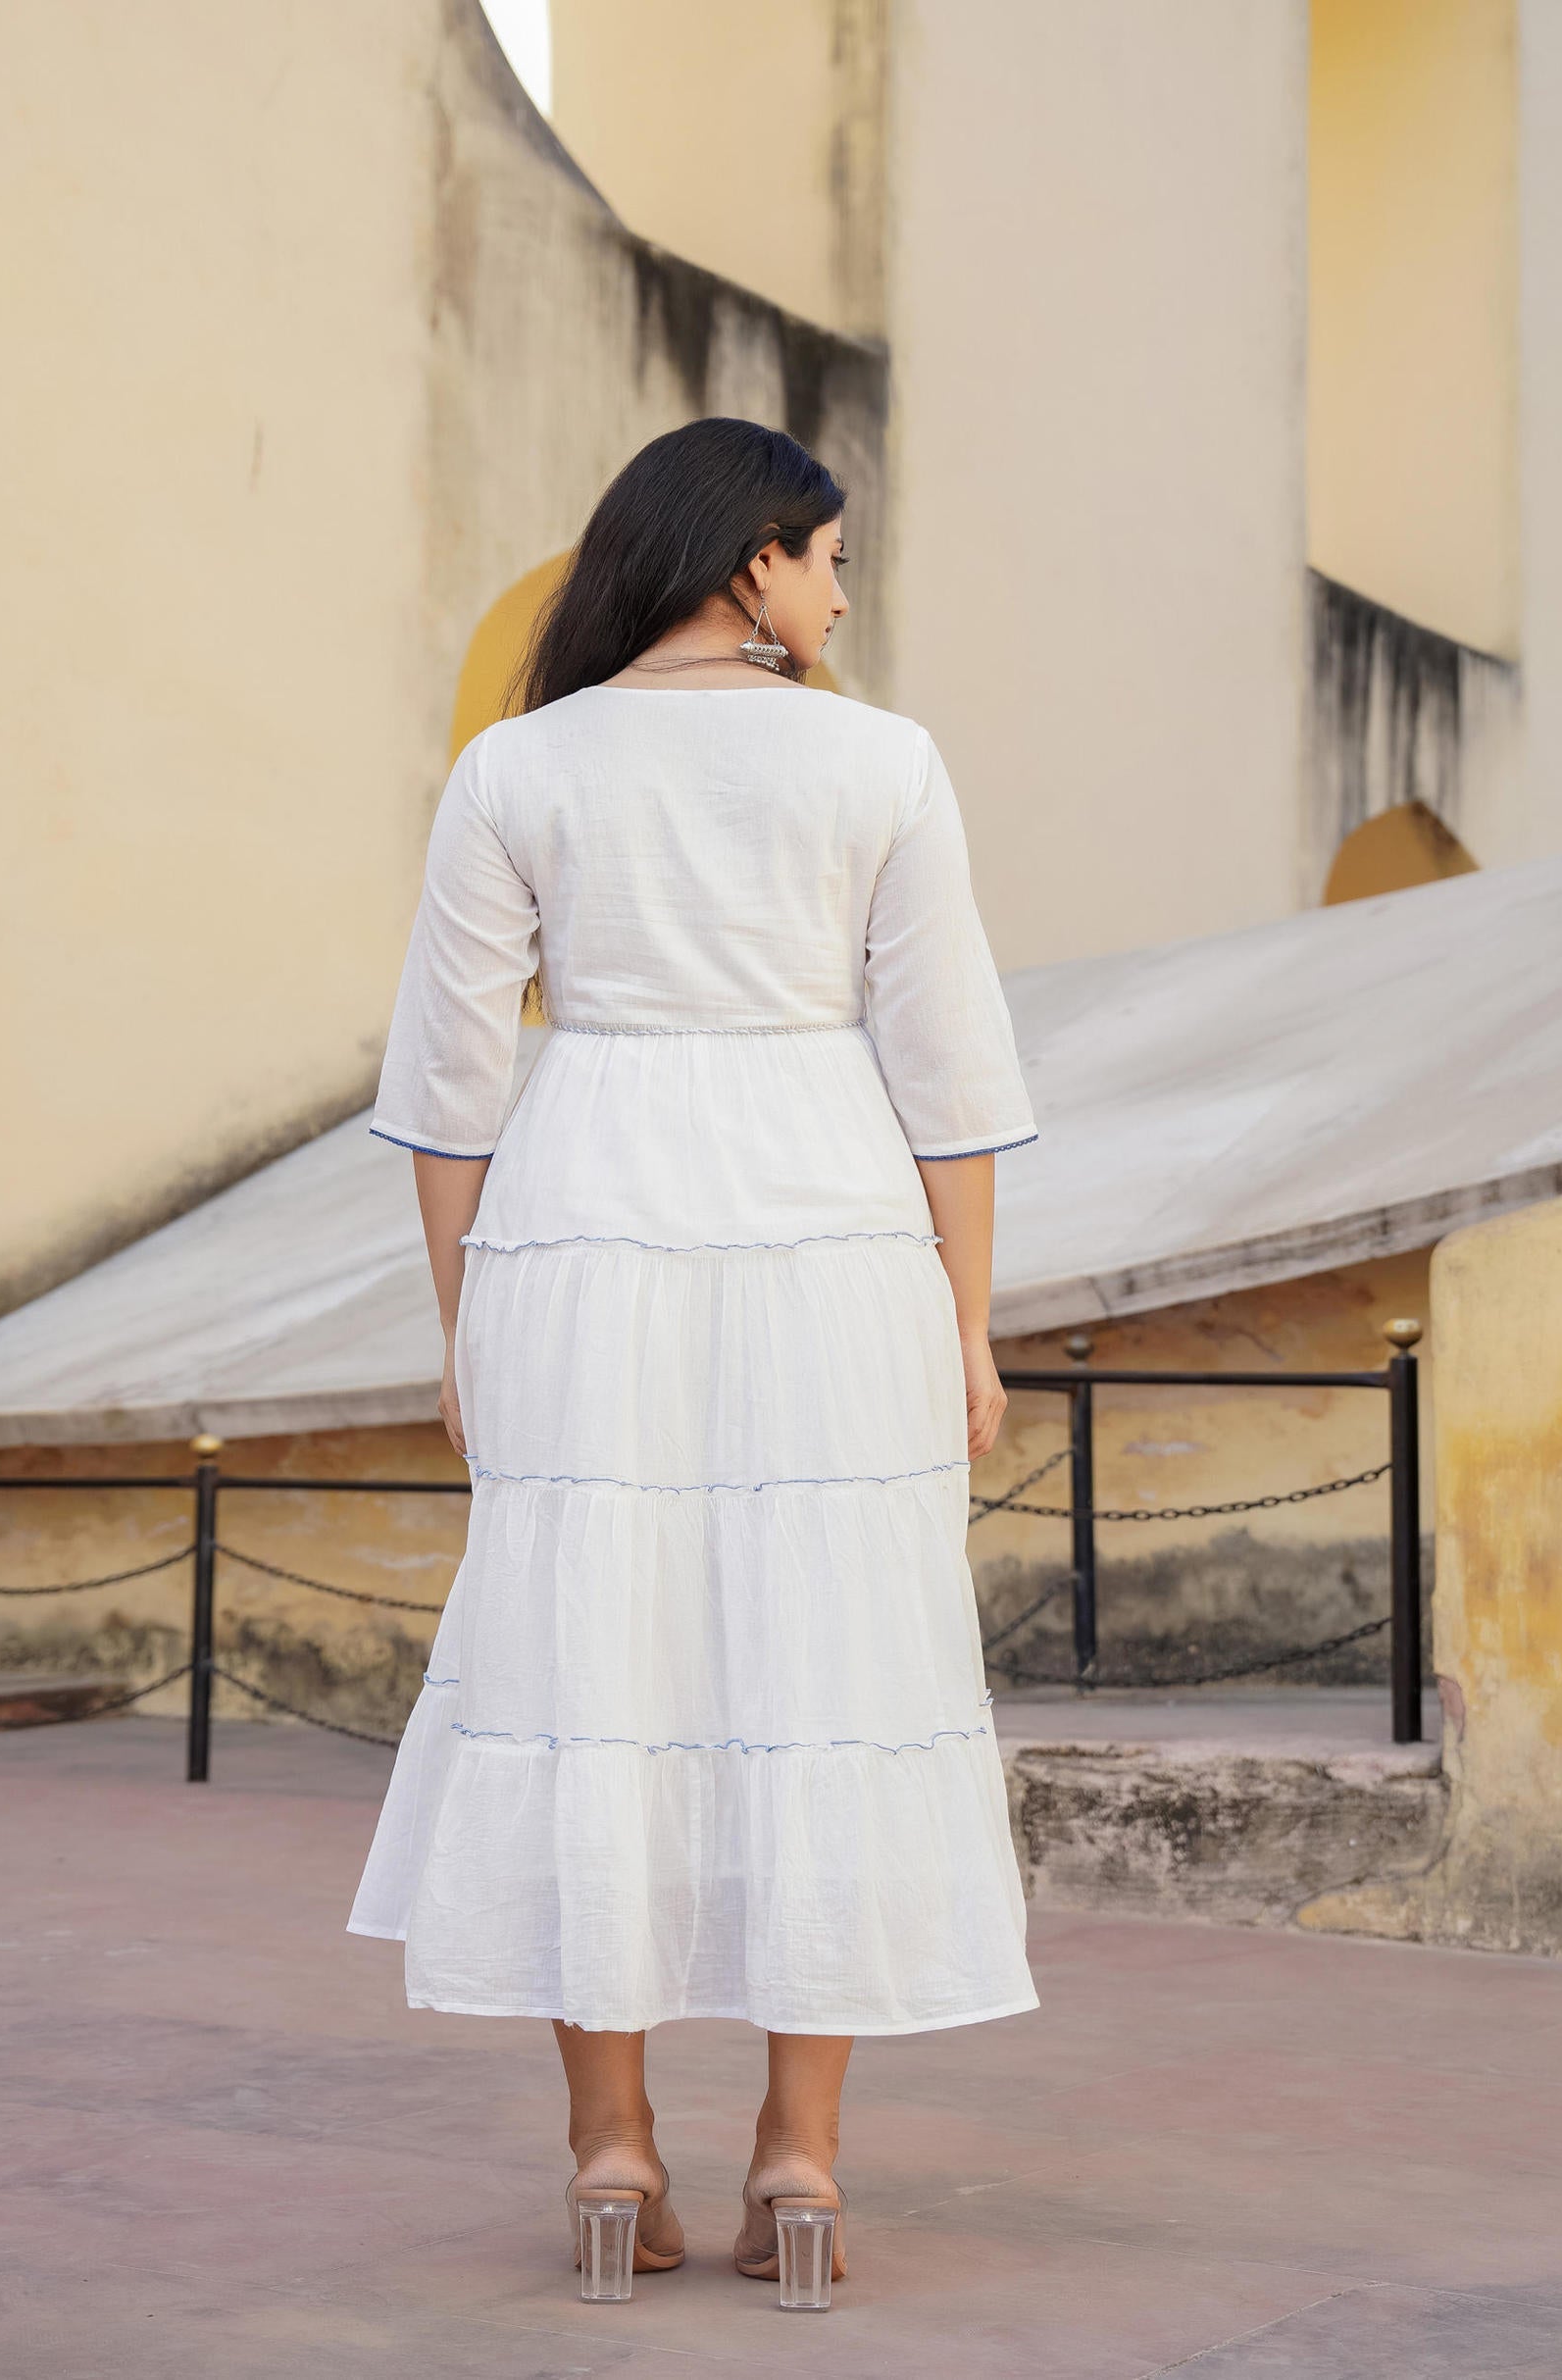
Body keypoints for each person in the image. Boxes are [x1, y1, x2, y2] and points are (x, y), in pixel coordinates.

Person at [347, 416, 1039, 2304]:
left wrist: (468, 1326)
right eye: (826, 560)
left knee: (591, 1659)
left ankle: (609, 2149)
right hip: (829, 1231)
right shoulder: (883, 764)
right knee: (827, 1657)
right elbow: (952, 1080)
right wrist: (965, 1329)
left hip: (583, 1226)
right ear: (750, 559)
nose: (836, 594)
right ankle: (800, 2164)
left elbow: (448, 1096)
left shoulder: (520, 767)